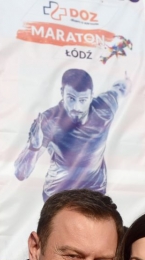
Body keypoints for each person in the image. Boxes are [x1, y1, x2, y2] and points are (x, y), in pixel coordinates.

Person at [14, 68, 130, 200]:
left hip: (94, 193)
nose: (76, 107)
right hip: (58, 195)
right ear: (62, 93)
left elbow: (119, 89)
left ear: (91, 96)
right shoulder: (49, 121)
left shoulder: (105, 108)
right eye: (71, 98)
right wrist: (33, 147)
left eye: (83, 100)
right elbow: (21, 174)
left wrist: (128, 81)